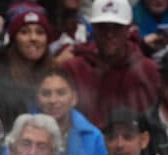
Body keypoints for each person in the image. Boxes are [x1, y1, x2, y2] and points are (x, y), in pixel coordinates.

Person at [61, 0, 160, 130]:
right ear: (93, 28)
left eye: (116, 27)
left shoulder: (149, 72)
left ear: (128, 29)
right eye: (103, 27)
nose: (109, 34)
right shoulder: (73, 69)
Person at [0, 2, 55, 128]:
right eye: (24, 32)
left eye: (40, 32)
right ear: (13, 38)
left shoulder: (54, 74)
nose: (33, 38)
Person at [30, 67, 106, 155]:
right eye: (46, 94)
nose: (53, 100)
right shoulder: (22, 134)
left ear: (74, 98)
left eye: (61, 93)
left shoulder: (94, 137)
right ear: (37, 99)